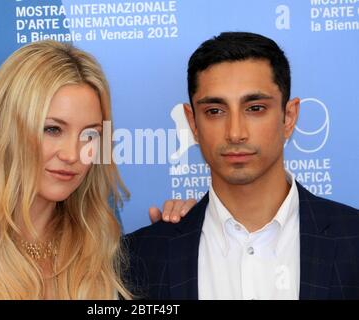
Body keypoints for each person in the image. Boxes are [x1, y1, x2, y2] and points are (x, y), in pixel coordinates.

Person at [0, 40, 194, 300]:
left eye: (90, 135)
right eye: (52, 129)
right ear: (6, 129)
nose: (72, 155)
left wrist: (188, 233)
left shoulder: (100, 251)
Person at [125, 32, 359, 300]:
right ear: (193, 124)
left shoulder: (353, 240)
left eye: (255, 108)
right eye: (215, 111)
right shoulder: (140, 257)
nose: (235, 133)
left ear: (289, 117)